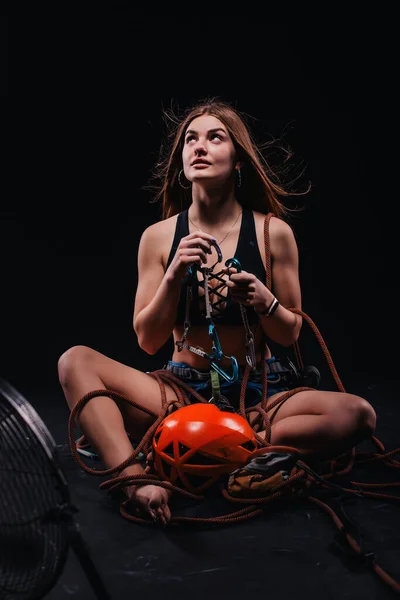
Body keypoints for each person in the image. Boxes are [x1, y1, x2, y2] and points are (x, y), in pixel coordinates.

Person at [58, 97, 377, 527]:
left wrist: (267, 302)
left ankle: (207, 450)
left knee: (358, 415)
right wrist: (172, 277)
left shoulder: (272, 232)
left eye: (215, 137)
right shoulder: (157, 237)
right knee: (74, 361)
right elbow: (149, 341)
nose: (199, 147)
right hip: (180, 393)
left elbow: (289, 335)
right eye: (191, 139)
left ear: (238, 160)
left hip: (261, 395)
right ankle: (135, 478)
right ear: (181, 162)